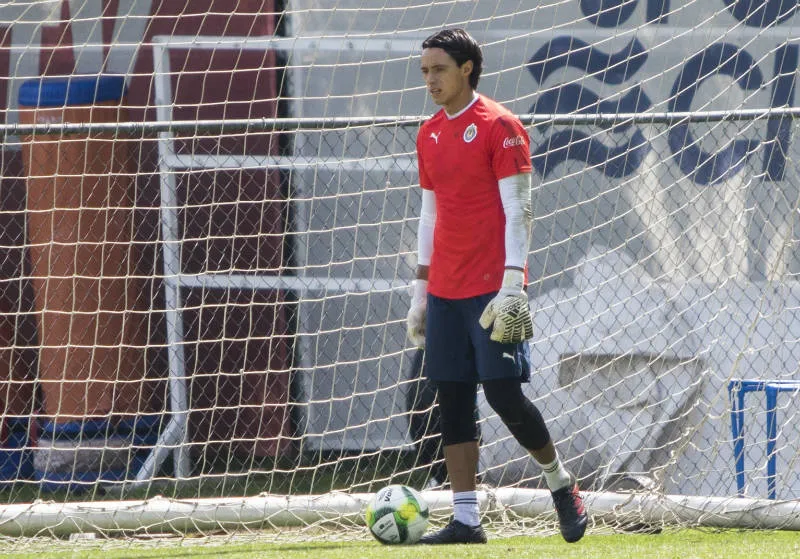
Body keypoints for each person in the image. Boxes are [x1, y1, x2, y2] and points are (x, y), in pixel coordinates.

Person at [407, 27, 588, 545]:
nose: (430, 79)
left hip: (493, 289)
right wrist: (420, 293)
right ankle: (466, 519)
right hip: (444, 289)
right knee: (451, 399)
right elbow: (428, 214)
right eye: (424, 71)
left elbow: (520, 208)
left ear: (467, 69)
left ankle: (562, 486)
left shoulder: (500, 125)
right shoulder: (429, 132)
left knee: (505, 396)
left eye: (438, 69)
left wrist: (514, 282)